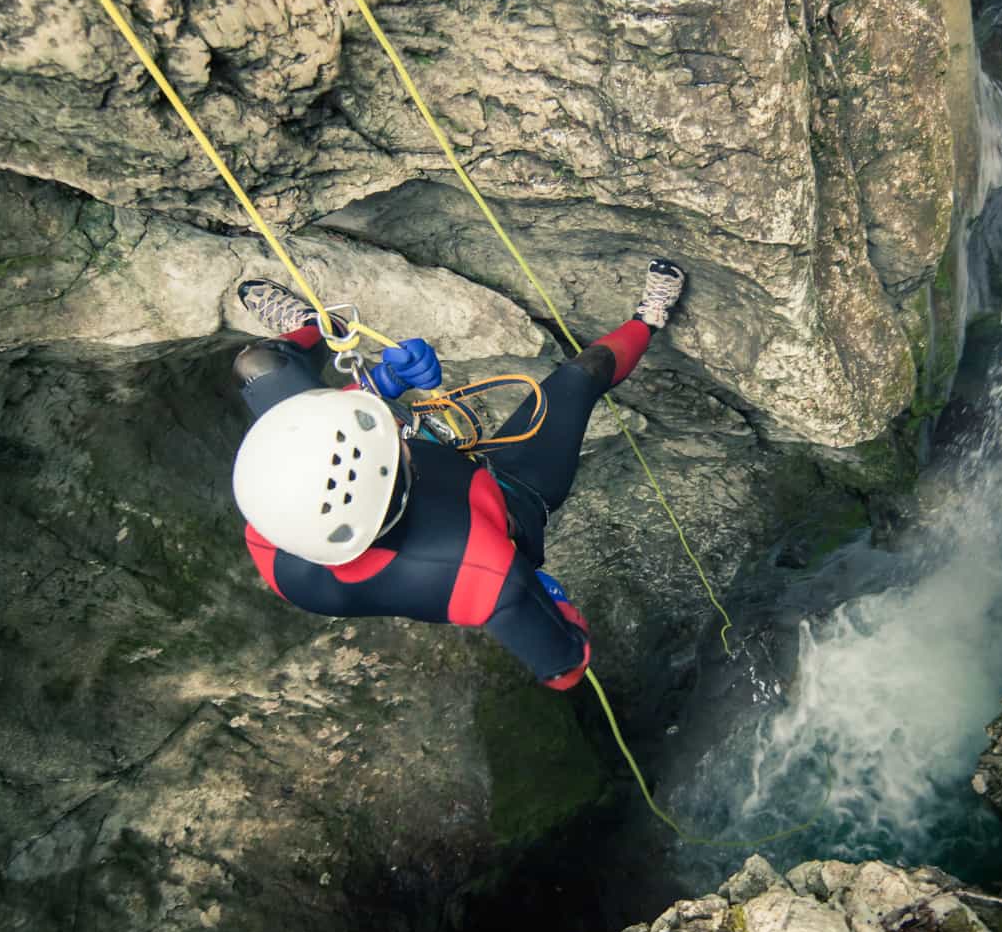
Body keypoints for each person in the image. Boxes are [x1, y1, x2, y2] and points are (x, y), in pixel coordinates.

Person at [229, 259, 686, 690]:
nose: (396, 428)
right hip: (514, 494)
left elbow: (264, 364)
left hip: (432, 485)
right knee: (580, 376)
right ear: (395, 476)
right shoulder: (480, 572)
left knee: (260, 366)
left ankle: (321, 324)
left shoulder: (276, 518)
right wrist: (546, 601)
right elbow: (565, 666)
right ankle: (649, 320)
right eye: (392, 436)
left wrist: (384, 383)